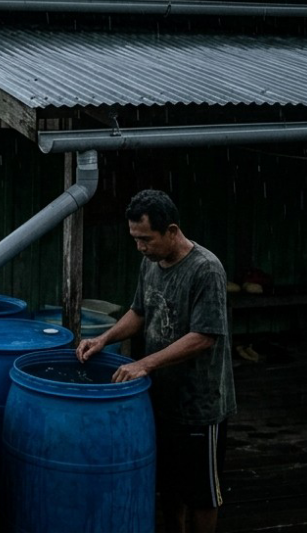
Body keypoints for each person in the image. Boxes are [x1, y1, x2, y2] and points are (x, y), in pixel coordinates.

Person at [76, 189, 236, 533]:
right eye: (135, 239)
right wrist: (103, 339)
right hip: (160, 398)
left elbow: (204, 336)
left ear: (172, 230)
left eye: (146, 239)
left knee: (202, 493)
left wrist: (144, 363)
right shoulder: (149, 263)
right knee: (168, 483)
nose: (140, 247)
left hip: (199, 403)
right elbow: (139, 311)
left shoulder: (206, 270)